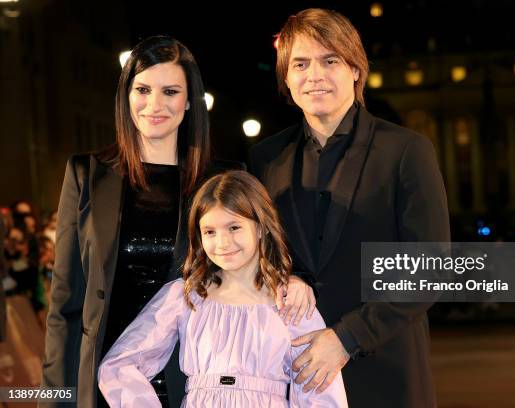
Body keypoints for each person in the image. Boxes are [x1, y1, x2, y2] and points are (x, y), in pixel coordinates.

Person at [42, 35, 315, 408]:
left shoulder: (223, 180)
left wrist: (294, 279)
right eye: (143, 90)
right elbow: (65, 302)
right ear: (126, 96)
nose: (155, 105)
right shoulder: (86, 175)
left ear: (188, 101)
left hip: (190, 378)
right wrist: (55, 397)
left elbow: (256, 252)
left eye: (170, 91)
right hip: (106, 376)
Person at [250, 8, 450, 407]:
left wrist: (346, 337)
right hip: (293, 373)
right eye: (300, 64)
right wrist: (283, 276)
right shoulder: (264, 159)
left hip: (385, 370)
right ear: (286, 78)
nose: (314, 75)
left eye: (330, 61)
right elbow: (257, 253)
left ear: (356, 70)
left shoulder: (406, 151)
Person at [98, 170, 348, 407]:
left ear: (260, 228)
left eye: (234, 227)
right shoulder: (185, 296)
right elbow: (119, 365)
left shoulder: (291, 302)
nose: (222, 243)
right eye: (209, 231)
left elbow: (320, 390)